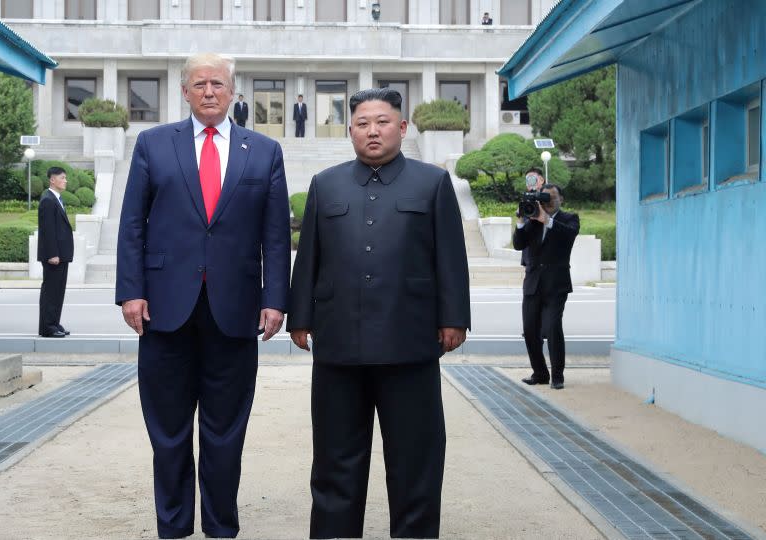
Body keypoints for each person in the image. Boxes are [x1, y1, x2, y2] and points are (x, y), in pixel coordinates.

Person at [116, 53, 291, 539]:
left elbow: (275, 236)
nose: (209, 91)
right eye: (199, 84)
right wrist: (131, 291)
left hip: (235, 312)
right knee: (168, 432)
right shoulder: (153, 145)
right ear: (185, 92)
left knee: (225, 432)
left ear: (233, 92)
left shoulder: (264, 151)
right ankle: (173, 527)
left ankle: (220, 526)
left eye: (218, 83)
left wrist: (275, 297)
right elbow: (132, 224)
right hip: (164, 310)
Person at [287, 88, 471, 539]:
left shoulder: (431, 183)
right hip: (338, 347)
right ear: (350, 130)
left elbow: (450, 255)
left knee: (415, 461)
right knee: (335, 461)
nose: (373, 130)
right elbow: (308, 255)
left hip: (409, 343)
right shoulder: (326, 184)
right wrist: (300, 316)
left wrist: (454, 317)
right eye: (363, 122)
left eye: (383, 121)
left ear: (402, 128)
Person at [512, 183, 579, 390]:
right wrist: (522, 221)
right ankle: (540, 373)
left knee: (552, 328)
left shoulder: (569, 219)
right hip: (533, 283)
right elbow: (518, 244)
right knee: (529, 330)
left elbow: (568, 236)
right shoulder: (533, 219)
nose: (547, 202)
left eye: (551, 197)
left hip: (556, 285)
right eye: (544, 198)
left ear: (561, 199)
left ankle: (557, 376)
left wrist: (547, 220)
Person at [38, 166, 74, 338]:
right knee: (51, 291)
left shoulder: (56, 199)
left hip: (61, 255)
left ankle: (54, 322)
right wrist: (52, 253)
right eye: (62, 177)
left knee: (58, 291)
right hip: (54, 256)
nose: (65, 180)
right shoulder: (48, 200)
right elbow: (48, 230)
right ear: (52, 179)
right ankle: (47, 327)